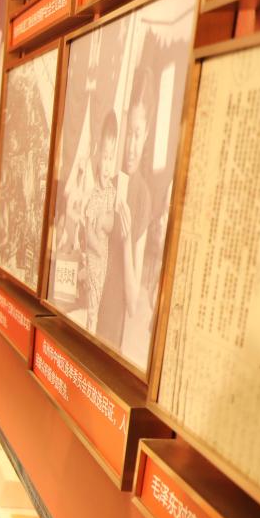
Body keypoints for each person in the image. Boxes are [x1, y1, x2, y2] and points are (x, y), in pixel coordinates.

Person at [99, 65, 155, 351]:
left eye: (137, 134)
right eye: (128, 134)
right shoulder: (108, 175)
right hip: (85, 315)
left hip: (109, 334)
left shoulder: (143, 197)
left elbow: (133, 302)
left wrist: (126, 237)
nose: (131, 146)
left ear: (146, 135)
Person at [82, 111, 118, 328]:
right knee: (92, 310)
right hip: (95, 260)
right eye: (105, 158)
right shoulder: (93, 192)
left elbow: (111, 224)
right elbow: (89, 233)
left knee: (100, 307)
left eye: (111, 158)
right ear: (98, 158)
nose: (107, 165)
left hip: (105, 263)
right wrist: (98, 250)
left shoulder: (112, 192)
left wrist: (105, 220)